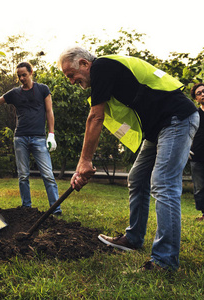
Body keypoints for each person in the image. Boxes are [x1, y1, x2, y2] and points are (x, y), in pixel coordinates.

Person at [59, 46, 199, 272]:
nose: (71, 81)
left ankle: (165, 260)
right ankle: (133, 239)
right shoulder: (107, 77)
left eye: (71, 74)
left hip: (176, 119)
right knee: (137, 178)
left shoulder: (102, 66)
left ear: (85, 64)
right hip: (158, 129)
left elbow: (95, 116)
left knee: (163, 183)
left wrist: (84, 161)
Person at [0, 62, 61, 213]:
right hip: (20, 138)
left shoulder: (43, 89)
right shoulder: (14, 93)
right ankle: (26, 207)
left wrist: (51, 134)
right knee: (23, 175)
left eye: (24, 75)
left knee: (48, 175)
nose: (22, 78)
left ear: (31, 72)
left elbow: (49, 111)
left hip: (39, 138)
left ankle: (55, 209)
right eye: (19, 76)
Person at [190, 83, 204, 221]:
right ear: (196, 99)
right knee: (199, 188)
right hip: (197, 156)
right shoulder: (195, 115)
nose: (202, 94)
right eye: (198, 93)